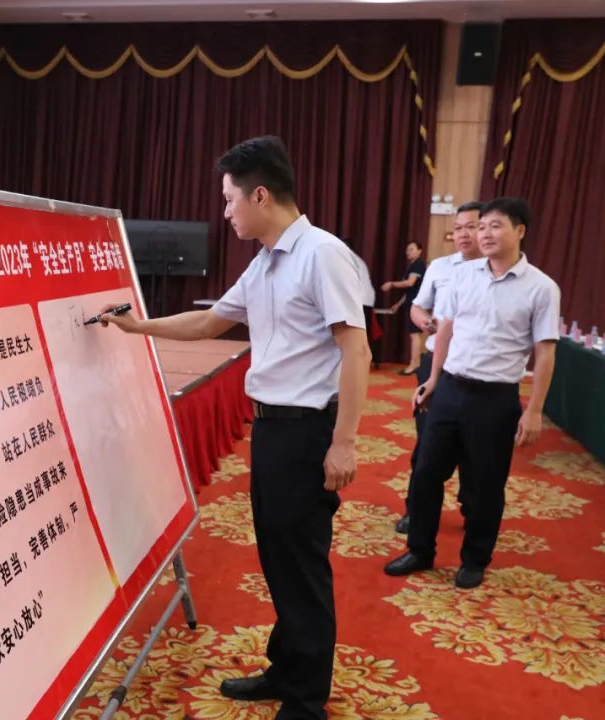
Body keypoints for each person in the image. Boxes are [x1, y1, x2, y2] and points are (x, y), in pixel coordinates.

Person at [98, 136, 370, 720]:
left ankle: (306, 702)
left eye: (230, 199)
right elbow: (209, 323)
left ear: (261, 195)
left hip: (308, 432)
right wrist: (138, 327)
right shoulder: (266, 260)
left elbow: (358, 350)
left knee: (301, 563)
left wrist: (344, 442)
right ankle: (286, 669)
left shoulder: (322, 255)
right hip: (271, 431)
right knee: (277, 556)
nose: (225, 212)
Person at [383, 197, 559, 589]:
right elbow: (446, 330)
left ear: (520, 231)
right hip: (449, 389)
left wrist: (534, 409)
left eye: (495, 226)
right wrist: (433, 379)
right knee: (426, 472)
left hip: (495, 398)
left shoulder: (541, 287)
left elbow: (545, 352)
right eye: (482, 227)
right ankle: (420, 549)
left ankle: (475, 558)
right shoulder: (462, 276)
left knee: (485, 485)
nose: (485, 234)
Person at [394, 201, 483, 534]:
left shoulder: (497, 272)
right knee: (428, 441)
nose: (463, 234)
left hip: (476, 371)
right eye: (458, 228)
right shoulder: (441, 267)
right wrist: (424, 321)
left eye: (471, 226)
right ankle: (416, 511)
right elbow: (418, 307)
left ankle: (472, 508)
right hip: (436, 366)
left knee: (475, 447)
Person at [382, 242, 426, 374]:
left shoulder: (418, 265)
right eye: (407, 250)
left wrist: (391, 284)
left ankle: (414, 365)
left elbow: (410, 283)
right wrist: (398, 304)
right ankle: (416, 363)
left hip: (416, 305)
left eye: (411, 249)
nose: (408, 252)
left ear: (420, 251)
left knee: (414, 334)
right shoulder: (413, 265)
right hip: (412, 302)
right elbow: (410, 291)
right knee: (414, 334)